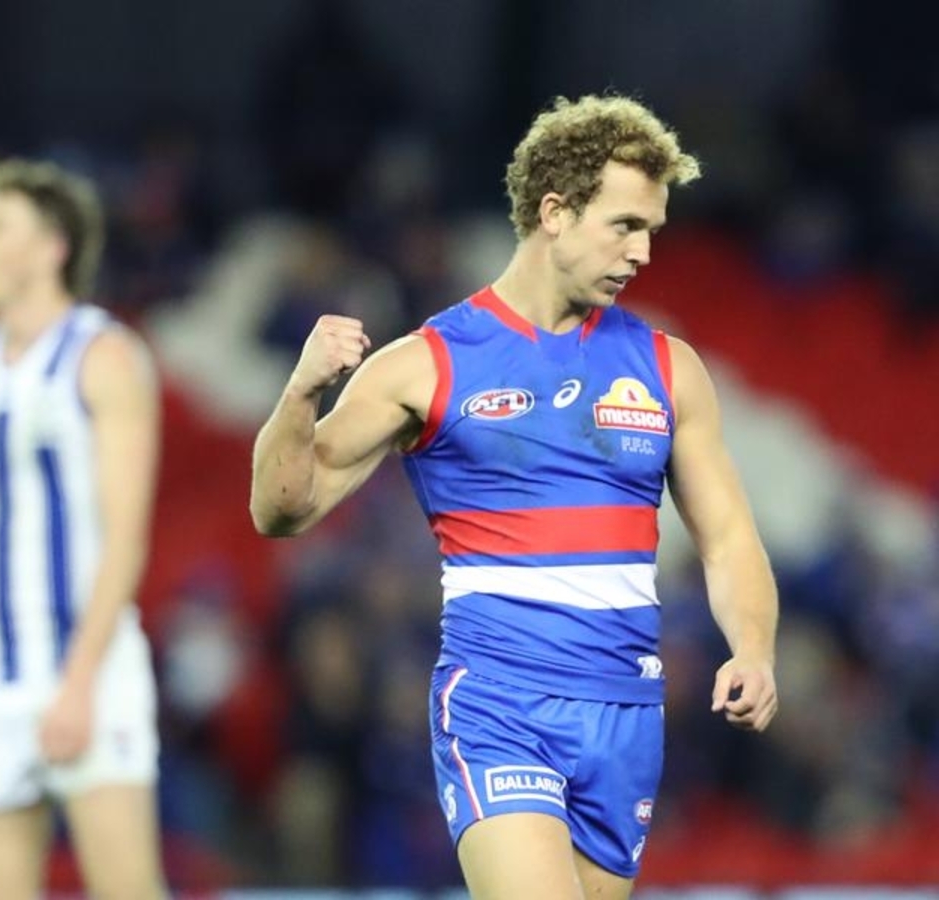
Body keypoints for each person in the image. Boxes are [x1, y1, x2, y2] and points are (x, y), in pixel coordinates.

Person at [250, 94, 779, 900]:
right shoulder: (427, 363)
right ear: (554, 212)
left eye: (652, 230)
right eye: (624, 225)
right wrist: (300, 395)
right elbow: (281, 509)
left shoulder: (670, 370)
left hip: (623, 714)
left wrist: (754, 649)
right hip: (500, 704)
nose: (643, 252)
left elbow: (729, 537)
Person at [0, 158, 166, 900]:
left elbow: (125, 535)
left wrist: (77, 683)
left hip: (90, 672)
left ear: (51, 249)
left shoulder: (105, 357)